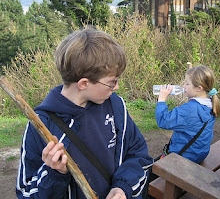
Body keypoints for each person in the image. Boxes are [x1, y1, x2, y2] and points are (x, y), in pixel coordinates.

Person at [16, 28, 153, 199]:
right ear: (83, 84)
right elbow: (25, 192)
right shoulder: (41, 125)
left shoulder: (115, 105)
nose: (116, 87)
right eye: (112, 82)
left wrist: (123, 187)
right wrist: (54, 173)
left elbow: (138, 154)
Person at [155, 65, 220, 163]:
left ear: (199, 88)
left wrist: (161, 99)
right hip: (198, 154)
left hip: (183, 157)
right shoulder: (210, 103)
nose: (183, 86)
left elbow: (163, 121)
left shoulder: (190, 109)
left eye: (187, 84)